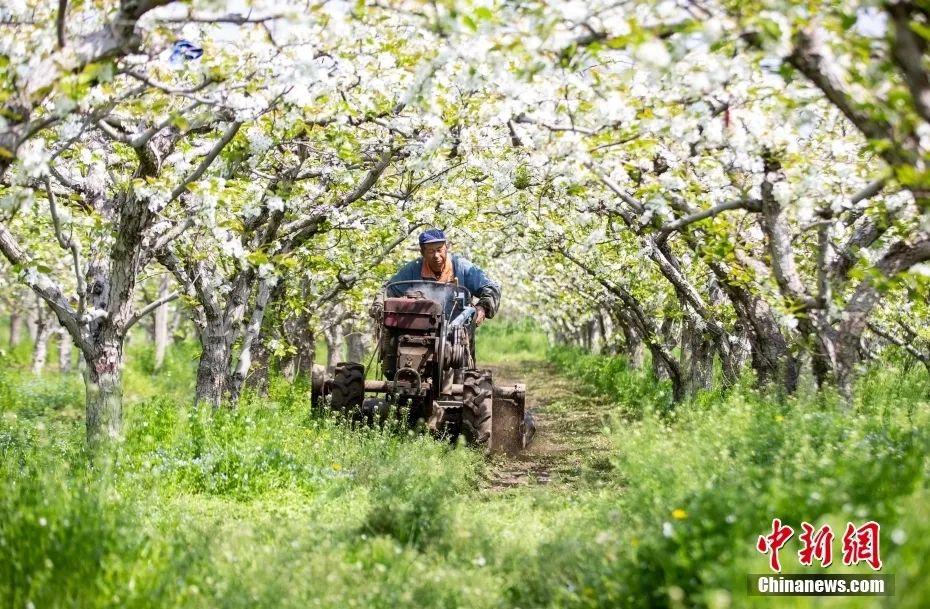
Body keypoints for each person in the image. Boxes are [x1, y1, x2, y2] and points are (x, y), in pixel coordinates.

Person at [376, 228, 501, 325]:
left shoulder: (462, 267)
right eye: (430, 251)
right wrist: (379, 305)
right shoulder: (413, 269)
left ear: (446, 248)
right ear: (422, 253)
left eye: (439, 249)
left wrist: (483, 307)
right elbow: (389, 289)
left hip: (459, 333)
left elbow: (491, 287)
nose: (436, 256)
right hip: (418, 329)